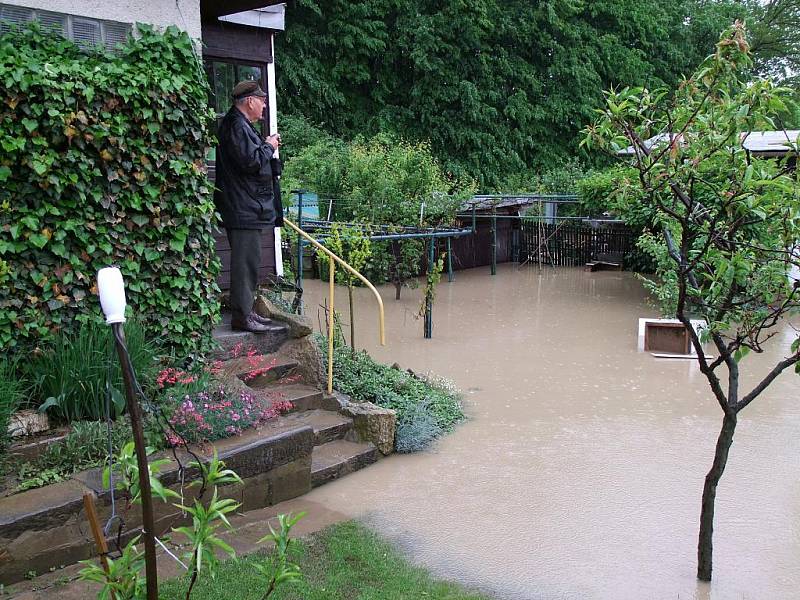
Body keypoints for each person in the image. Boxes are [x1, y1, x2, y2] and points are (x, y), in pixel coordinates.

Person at [214, 80, 282, 333]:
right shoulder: (235, 126)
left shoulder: (242, 126)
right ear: (250, 101)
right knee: (245, 264)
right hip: (242, 208)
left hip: (247, 206)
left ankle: (248, 312)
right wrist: (268, 146)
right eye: (262, 100)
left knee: (250, 262)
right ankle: (242, 317)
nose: (264, 105)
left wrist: (265, 146)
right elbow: (250, 162)